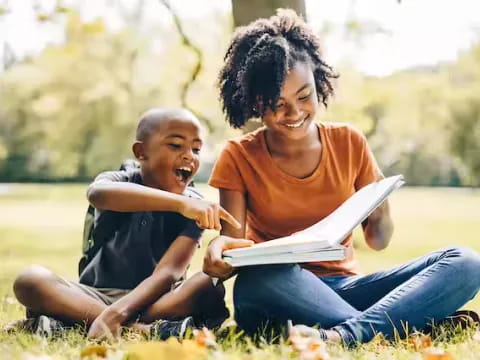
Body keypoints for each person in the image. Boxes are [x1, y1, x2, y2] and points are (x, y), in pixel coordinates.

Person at [203, 10, 480, 346]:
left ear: (319, 83)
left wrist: (379, 211)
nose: (294, 114)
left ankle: (345, 334)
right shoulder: (239, 155)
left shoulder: (348, 141)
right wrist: (220, 252)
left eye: (304, 96)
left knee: (465, 262)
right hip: (276, 289)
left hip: (344, 289)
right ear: (255, 103)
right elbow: (234, 246)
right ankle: (404, 324)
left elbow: (379, 241)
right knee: (258, 277)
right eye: (278, 104)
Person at [11, 108, 241, 339]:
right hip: (95, 295)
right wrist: (179, 204)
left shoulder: (196, 206)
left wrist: (116, 315)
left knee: (208, 285)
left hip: (156, 300)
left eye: (196, 149)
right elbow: (98, 194)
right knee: (31, 279)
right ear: (141, 152)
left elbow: (169, 272)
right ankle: (142, 331)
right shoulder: (118, 180)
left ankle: (74, 323)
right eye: (175, 145)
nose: (189, 156)